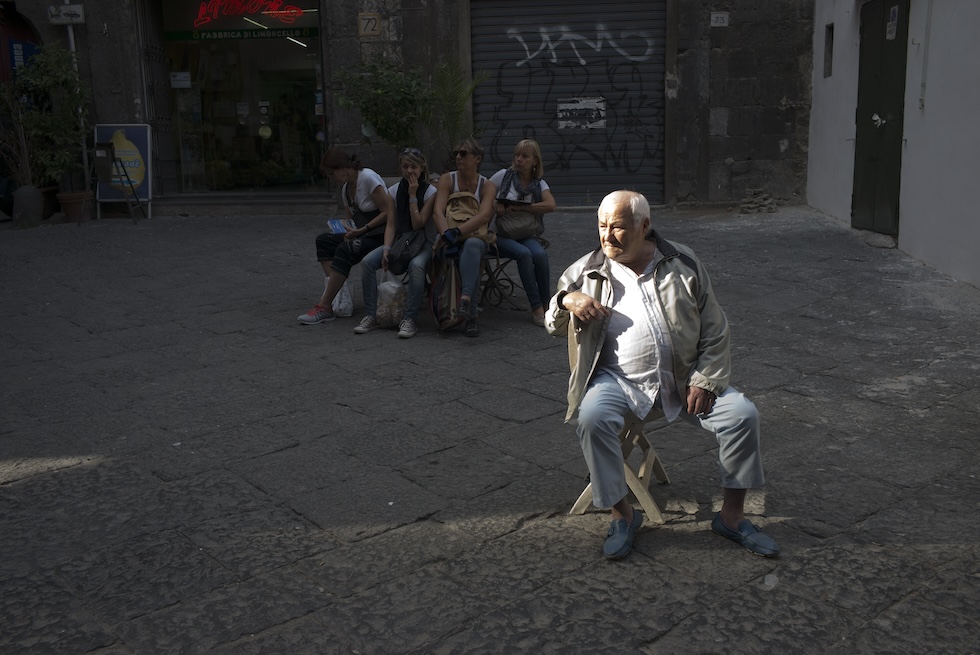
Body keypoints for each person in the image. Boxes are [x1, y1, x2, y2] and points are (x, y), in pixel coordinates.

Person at [546, 190, 779, 560]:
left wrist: (706, 378)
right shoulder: (585, 271)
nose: (607, 236)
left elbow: (715, 327)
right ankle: (622, 515)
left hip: (683, 378)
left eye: (617, 227)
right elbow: (553, 324)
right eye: (602, 226)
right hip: (617, 381)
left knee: (742, 416)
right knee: (592, 417)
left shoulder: (682, 262)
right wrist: (566, 300)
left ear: (644, 226)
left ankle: (732, 518)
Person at [297, 148, 392, 324]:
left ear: (342, 167)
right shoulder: (346, 190)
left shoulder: (368, 178)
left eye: (331, 173)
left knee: (345, 249)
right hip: (362, 233)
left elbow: (388, 212)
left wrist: (362, 230)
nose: (331, 178)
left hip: (380, 234)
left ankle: (324, 306)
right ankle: (341, 295)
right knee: (323, 241)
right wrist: (345, 228)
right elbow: (351, 219)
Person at [354, 148, 437, 338]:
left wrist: (413, 195)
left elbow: (418, 224)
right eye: (405, 166)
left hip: (424, 241)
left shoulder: (431, 192)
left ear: (422, 167)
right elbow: (391, 225)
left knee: (416, 266)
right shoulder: (393, 191)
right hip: (402, 241)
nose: (409, 171)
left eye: (413, 167)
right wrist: (386, 249)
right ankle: (371, 315)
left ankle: (410, 319)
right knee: (368, 262)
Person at [432, 138, 497, 337]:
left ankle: (466, 300)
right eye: (456, 154)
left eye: (463, 153)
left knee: (473, 246)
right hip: (449, 236)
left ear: (477, 159)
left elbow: (484, 216)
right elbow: (438, 212)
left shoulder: (487, 185)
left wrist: (457, 232)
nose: (458, 157)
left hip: (473, 235)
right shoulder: (447, 179)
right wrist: (446, 235)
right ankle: (470, 313)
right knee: (471, 254)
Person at [490, 139, 557, 327]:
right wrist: (495, 203)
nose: (519, 159)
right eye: (517, 155)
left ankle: (547, 305)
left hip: (525, 233)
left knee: (540, 255)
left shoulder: (539, 183)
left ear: (535, 161)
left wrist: (523, 208)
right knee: (524, 254)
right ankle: (536, 308)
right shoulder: (503, 176)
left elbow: (551, 205)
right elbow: (483, 193)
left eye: (525, 156)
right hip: (499, 234)